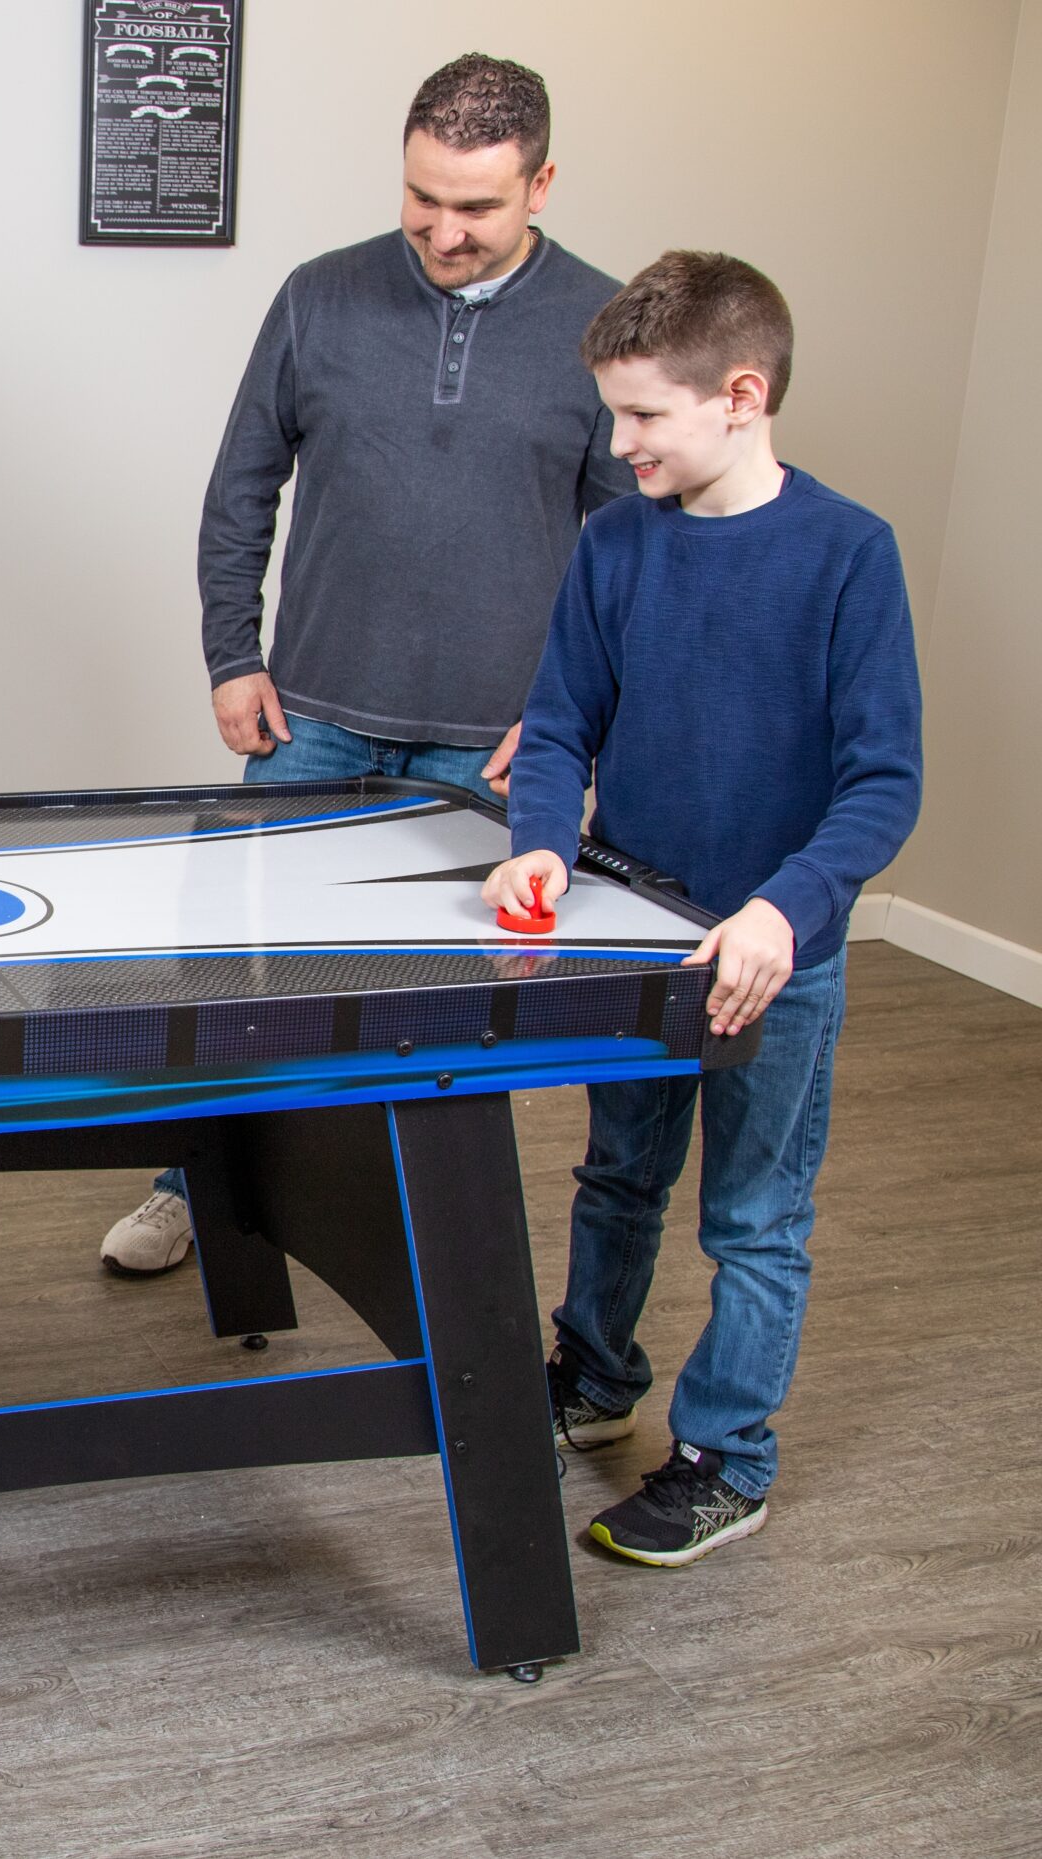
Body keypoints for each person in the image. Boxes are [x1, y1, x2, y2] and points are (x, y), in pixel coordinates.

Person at [100, 52, 639, 1275]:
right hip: (311, 720)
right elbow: (240, 486)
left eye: (476, 207)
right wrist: (230, 654)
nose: (443, 232)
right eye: (421, 198)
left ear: (541, 183)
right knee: (242, 979)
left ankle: (422, 1237)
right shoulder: (318, 297)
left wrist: (576, 723)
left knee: (451, 1007)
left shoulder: (604, 330)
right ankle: (195, 1191)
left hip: (493, 744)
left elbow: (629, 560)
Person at [484, 252, 921, 1565]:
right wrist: (540, 847)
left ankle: (727, 1459)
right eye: (612, 415)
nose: (620, 446)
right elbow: (559, 725)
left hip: (777, 957)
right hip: (639, 935)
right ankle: (593, 1373)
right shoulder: (616, 545)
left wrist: (787, 911)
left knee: (753, 1217)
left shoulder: (849, 554)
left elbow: (882, 782)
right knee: (619, 1174)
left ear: (740, 395)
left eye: (642, 417)